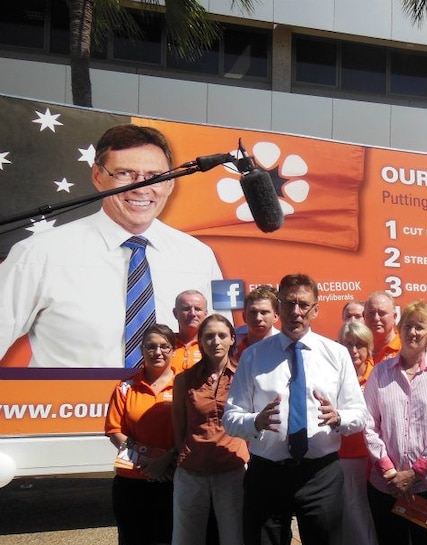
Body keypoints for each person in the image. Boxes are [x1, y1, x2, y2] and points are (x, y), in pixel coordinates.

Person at [0, 123, 223, 367]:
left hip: (173, 404)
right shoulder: (38, 254)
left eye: (155, 176)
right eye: (125, 173)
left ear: (170, 184)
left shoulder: (200, 257)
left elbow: (221, 351)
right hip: (71, 404)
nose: (141, 188)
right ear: (98, 177)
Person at [222, 273, 369, 545]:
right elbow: (231, 418)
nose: (296, 312)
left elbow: (360, 413)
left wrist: (340, 417)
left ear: (316, 309)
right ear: (278, 307)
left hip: (321, 475)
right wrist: (256, 422)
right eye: (289, 304)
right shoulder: (252, 357)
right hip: (267, 474)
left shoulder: (337, 355)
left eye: (304, 305)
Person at [364, 300, 427, 545]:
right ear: (399, 328)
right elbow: (369, 425)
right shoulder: (380, 372)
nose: (412, 332)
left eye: (420, 327)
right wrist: (391, 472)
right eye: (408, 326)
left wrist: (414, 474)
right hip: (386, 487)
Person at [170, 313, 249, 545]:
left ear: (232, 339)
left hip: (233, 470)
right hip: (192, 473)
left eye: (222, 335)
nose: (215, 341)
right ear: (200, 342)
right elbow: (179, 427)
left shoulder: (244, 376)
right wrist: (188, 452)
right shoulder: (185, 380)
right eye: (209, 336)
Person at [104, 324, 179, 545]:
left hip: (172, 480)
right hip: (131, 482)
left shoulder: (185, 386)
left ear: (173, 349)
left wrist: (166, 460)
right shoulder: (125, 387)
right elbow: (115, 432)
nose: (157, 351)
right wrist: (150, 457)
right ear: (141, 350)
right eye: (150, 346)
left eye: (164, 346)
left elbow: (193, 431)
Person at [337, 320, 383, 545]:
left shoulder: (378, 376)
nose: (354, 351)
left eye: (360, 345)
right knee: (346, 523)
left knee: (368, 524)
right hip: (340, 460)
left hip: (372, 462)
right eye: (348, 344)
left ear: (369, 349)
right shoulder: (333, 375)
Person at [235, 285, 280, 359]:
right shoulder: (230, 340)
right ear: (244, 316)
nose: (258, 318)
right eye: (253, 312)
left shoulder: (285, 344)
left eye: (264, 312)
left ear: (276, 316)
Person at [171, 290, 208, 373]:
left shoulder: (212, 345)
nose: (192, 313)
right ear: (175, 313)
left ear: (205, 314)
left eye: (198, 309)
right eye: (186, 309)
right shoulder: (164, 345)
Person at [364, 291, 400, 363]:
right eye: (371, 313)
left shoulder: (405, 349)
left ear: (394, 317)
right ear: (364, 316)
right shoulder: (357, 350)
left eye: (382, 313)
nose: (376, 318)